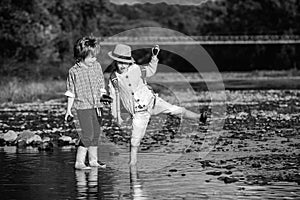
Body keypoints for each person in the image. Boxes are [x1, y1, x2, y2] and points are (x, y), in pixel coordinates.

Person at [107, 44, 207, 166]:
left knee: (176, 110)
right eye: (119, 62)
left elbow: (150, 70)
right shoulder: (114, 79)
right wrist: (116, 115)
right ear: (115, 62)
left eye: (125, 63)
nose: (122, 65)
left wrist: (154, 57)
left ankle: (199, 117)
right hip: (139, 113)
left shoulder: (136, 69)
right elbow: (113, 97)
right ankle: (132, 163)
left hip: (153, 102)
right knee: (134, 141)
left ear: (129, 62)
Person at [64, 36, 110, 170]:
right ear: (82, 55)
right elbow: (71, 92)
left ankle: (93, 160)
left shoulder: (96, 67)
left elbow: (101, 85)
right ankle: (79, 162)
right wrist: (68, 110)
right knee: (88, 134)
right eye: (91, 57)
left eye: (95, 56)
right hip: (82, 107)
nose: (94, 59)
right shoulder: (74, 71)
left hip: (97, 106)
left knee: (96, 134)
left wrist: (104, 97)